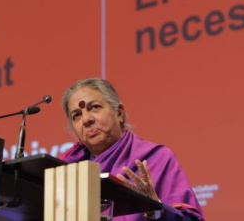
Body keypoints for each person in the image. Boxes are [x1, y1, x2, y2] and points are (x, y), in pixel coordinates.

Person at [60, 78, 205, 221]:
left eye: (95, 107)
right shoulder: (67, 172)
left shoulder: (156, 159)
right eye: (77, 115)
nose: (86, 119)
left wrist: (154, 209)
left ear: (119, 113)